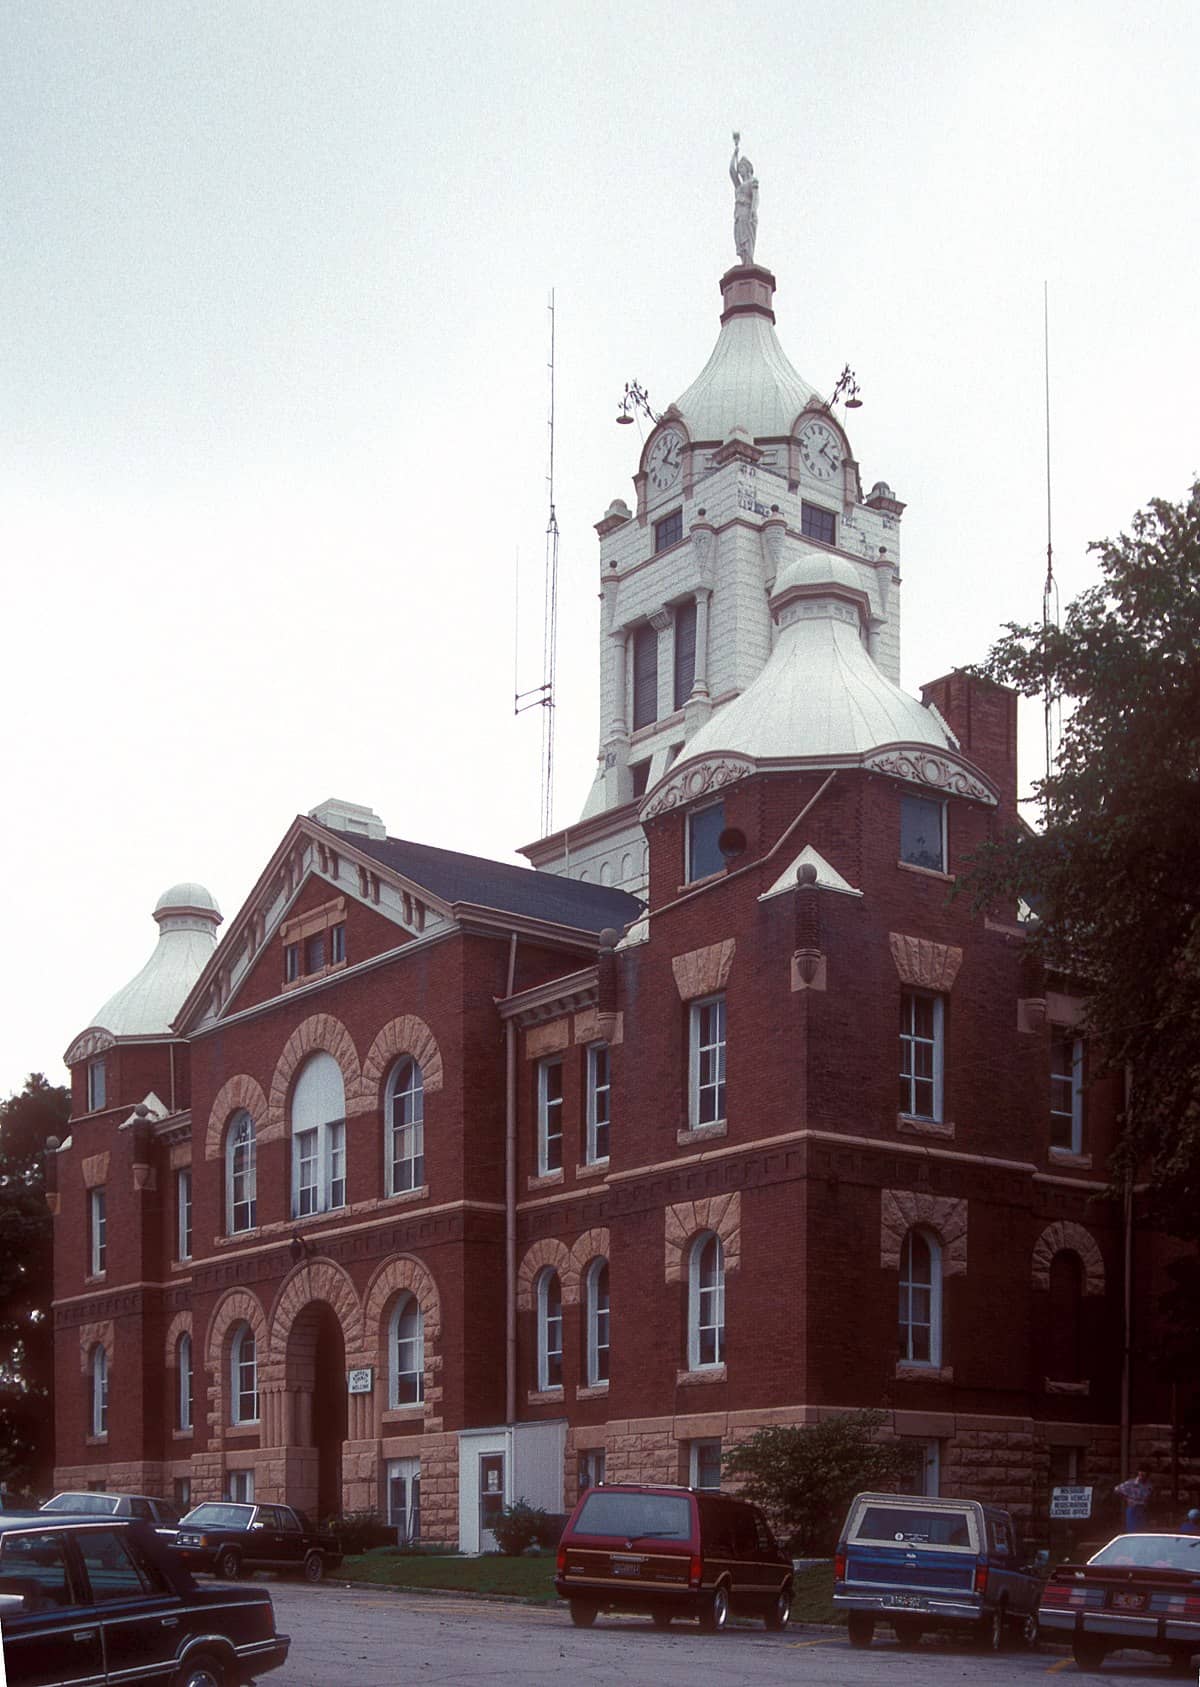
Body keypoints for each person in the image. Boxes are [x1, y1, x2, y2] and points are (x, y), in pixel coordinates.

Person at [729, 132, 758, 266]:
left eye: (742, 168)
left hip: (747, 211)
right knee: (739, 237)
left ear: (747, 168)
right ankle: (744, 261)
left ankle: (748, 262)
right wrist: (735, 153)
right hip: (738, 213)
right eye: (739, 168)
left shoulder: (752, 182)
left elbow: (756, 197)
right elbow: (731, 170)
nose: (740, 171)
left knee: (748, 237)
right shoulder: (739, 185)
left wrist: (753, 210)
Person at [1115, 1468, 1153, 1532]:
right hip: (1133, 1507)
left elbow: (1150, 1495)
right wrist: (1126, 1498)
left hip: (1143, 1508)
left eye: (1144, 1474)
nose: (1142, 1476)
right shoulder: (1131, 1483)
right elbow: (1117, 1489)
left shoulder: (1148, 1485)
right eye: (1141, 1474)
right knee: (1132, 1529)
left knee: (1142, 1530)